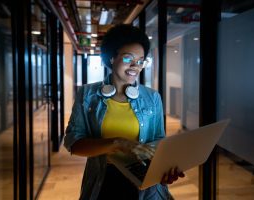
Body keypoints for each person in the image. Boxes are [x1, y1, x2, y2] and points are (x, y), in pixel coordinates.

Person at [64, 24, 184, 200]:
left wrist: (165, 167)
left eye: (141, 60)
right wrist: (116, 143)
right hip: (104, 179)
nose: (135, 66)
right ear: (112, 58)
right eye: (128, 58)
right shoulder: (87, 95)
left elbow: (158, 141)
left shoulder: (152, 97)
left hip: (144, 180)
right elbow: (73, 143)